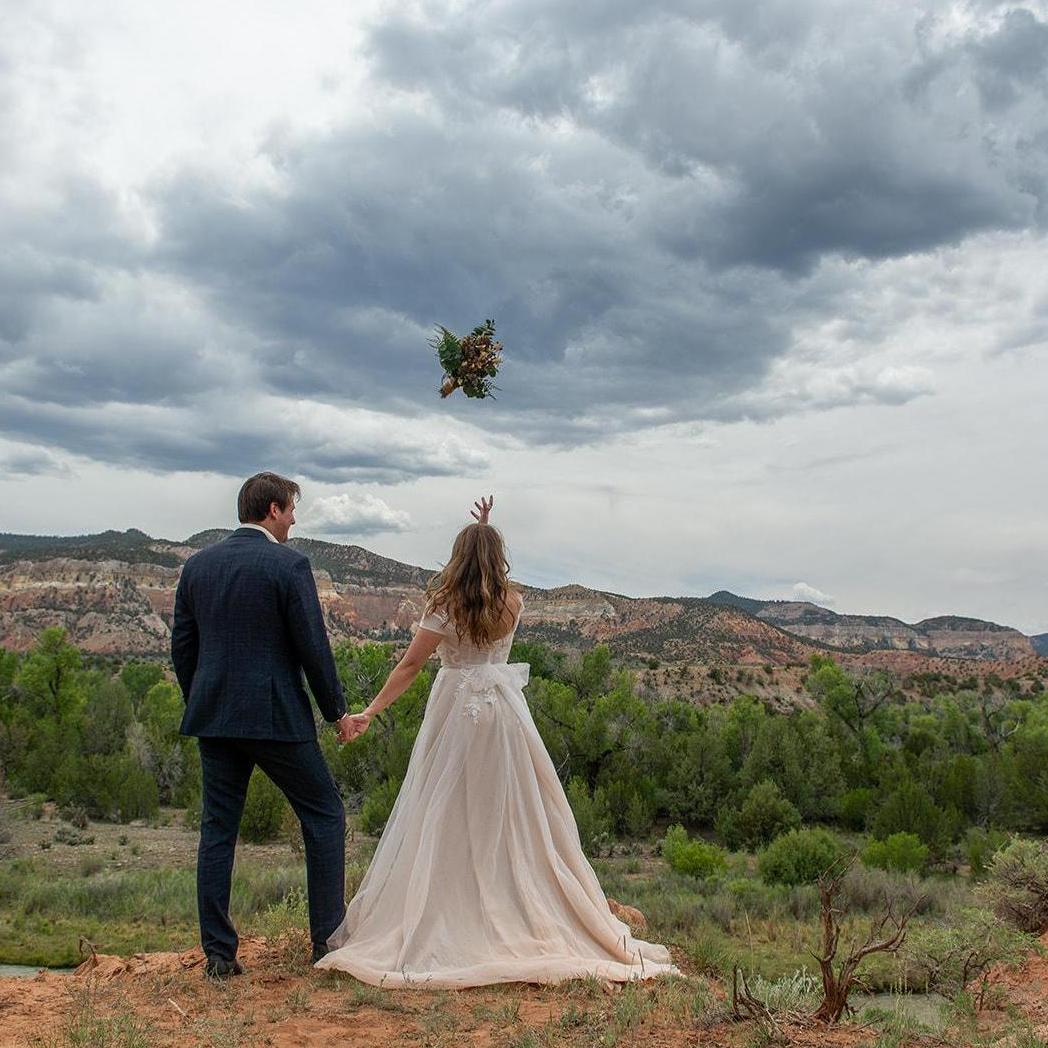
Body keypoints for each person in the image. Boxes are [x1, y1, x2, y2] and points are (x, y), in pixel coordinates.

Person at [316, 495, 681, 988]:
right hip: (504, 714)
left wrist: (371, 711)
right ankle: (509, 901)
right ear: (498, 558)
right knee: (509, 811)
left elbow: (410, 665)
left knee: (443, 809)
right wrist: (486, 529)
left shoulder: (443, 605)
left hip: (455, 714)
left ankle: (455, 909)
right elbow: (487, 617)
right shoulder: (513, 602)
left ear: (457, 557)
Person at [171, 471, 356, 979]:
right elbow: (312, 647)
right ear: (273, 509)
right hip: (276, 719)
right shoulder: (289, 565)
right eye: (291, 509)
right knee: (324, 814)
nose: (294, 519)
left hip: (215, 719)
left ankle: (219, 956)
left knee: (218, 830)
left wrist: (202, 701)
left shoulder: (197, 566)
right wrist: (336, 712)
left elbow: (183, 647)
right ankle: (326, 942)